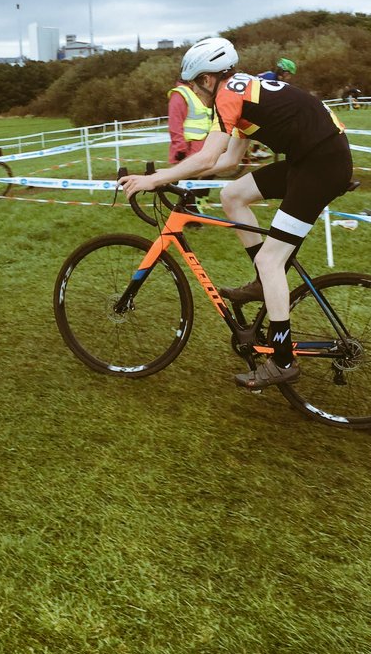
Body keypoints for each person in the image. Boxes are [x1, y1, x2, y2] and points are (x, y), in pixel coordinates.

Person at [120, 37, 352, 391]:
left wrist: (155, 179)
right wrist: (174, 176)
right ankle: (262, 281)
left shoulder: (229, 94)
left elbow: (209, 156)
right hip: (312, 160)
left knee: (273, 260)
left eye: (195, 84)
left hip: (320, 165)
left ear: (208, 78)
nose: (194, 91)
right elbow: (229, 160)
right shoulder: (244, 92)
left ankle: (282, 360)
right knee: (233, 195)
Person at [167, 71, 214, 214]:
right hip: (188, 148)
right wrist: (180, 149)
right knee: (189, 182)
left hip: (203, 145)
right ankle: (189, 213)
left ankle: (193, 207)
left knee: (206, 174)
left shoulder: (196, 93)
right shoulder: (180, 94)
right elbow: (175, 124)